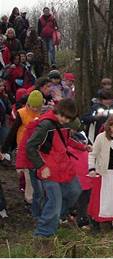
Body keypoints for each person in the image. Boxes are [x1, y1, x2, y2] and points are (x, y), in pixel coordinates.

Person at [26, 98, 85, 237]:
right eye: (63, 116)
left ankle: (60, 216)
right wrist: (41, 166)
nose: (64, 120)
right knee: (54, 201)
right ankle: (43, 234)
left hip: (64, 166)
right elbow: (31, 146)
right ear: (57, 111)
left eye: (68, 118)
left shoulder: (64, 124)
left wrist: (82, 147)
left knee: (75, 191)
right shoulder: (45, 125)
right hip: (49, 169)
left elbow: (66, 140)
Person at [0, 79, 12, 146]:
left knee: (4, 142)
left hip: (3, 123)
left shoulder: (4, 96)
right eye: (0, 86)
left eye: (3, 86)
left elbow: (9, 109)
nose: (3, 87)